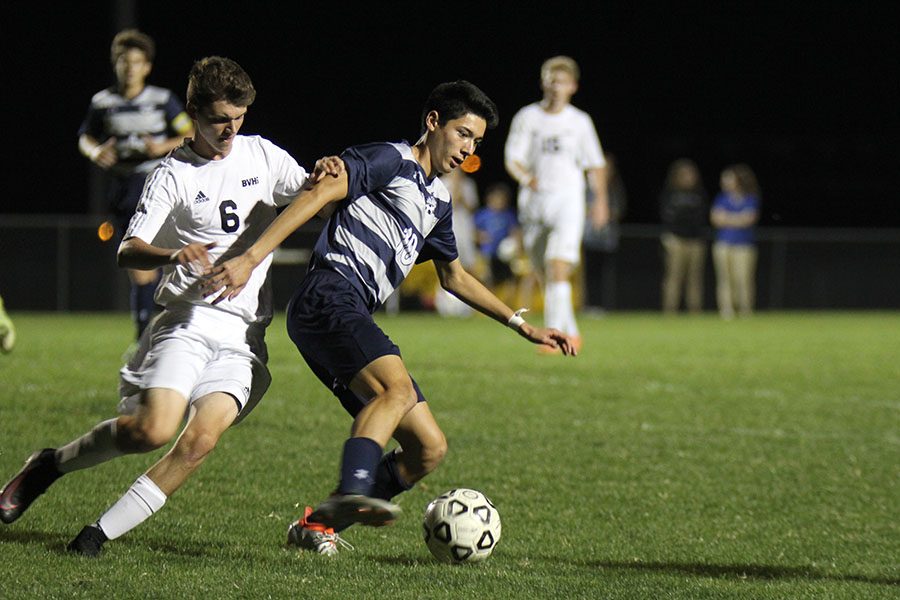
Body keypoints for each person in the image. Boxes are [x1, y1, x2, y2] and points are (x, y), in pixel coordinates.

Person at [205, 80, 577, 555]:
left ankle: (317, 526)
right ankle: (355, 487)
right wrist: (251, 256)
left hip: (348, 310)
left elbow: (455, 277)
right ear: (433, 122)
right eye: (463, 134)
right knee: (395, 391)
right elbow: (320, 193)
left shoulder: (437, 201)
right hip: (329, 293)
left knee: (428, 449)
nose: (467, 149)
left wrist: (522, 325)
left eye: (477, 142)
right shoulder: (391, 159)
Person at [0, 56, 342, 557]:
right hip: (189, 320)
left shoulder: (261, 155)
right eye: (220, 119)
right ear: (194, 112)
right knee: (151, 430)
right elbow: (127, 250)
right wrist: (172, 252)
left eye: (239, 117)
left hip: (244, 337)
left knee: (200, 441)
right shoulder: (172, 174)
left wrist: (328, 171)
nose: (231, 129)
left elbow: (316, 196)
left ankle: (96, 537)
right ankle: (50, 464)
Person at [77, 29, 194, 342]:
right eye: (124, 62)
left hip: (158, 184)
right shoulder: (103, 103)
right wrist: (95, 151)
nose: (130, 68)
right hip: (123, 188)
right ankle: (150, 334)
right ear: (115, 64)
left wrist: (162, 147)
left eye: (137, 62)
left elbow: (191, 131)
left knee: (154, 265)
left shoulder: (162, 100)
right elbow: (85, 137)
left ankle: (150, 334)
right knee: (141, 267)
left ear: (147, 67)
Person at [504, 56, 608, 353]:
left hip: (568, 199)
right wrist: (526, 177)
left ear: (572, 86)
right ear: (542, 82)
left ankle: (555, 336)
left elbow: (595, 164)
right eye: (550, 79)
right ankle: (570, 330)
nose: (555, 86)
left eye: (561, 81)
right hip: (534, 203)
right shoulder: (528, 117)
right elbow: (512, 158)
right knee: (543, 270)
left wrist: (599, 201)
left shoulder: (580, 122)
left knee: (557, 264)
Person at [711, 164, 761, 319]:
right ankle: (727, 310)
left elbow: (749, 219)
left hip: (745, 245)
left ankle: (745, 310)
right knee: (725, 278)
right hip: (724, 243)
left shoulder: (751, 198)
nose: (724, 182)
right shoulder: (721, 198)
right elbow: (716, 219)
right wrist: (738, 218)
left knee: (744, 278)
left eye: (728, 178)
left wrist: (728, 218)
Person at [659, 158, 708, 314]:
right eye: (685, 174)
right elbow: (668, 216)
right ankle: (670, 312)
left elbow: (702, 216)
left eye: (691, 174)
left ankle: (694, 311)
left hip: (695, 240)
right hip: (676, 240)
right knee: (673, 278)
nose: (689, 178)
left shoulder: (699, 194)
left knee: (695, 279)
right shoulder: (670, 193)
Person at [583, 153, 627, 312]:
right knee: (590, 274)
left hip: (608, 239)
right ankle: (589, 306)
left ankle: (607, 306)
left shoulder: (615, 187)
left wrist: (607, 212)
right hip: (590, 237)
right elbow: (581, 207)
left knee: (607, 275)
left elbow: (620, 209)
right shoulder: (588, 187)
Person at [435, 168, 480, 316]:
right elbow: (450, 204)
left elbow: (470, 207)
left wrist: (459, 185)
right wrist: (454, 184)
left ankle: (468, 307)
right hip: (448, 231)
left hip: (465, 230)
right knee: (445, 268)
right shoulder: (439, 183)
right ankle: (444, 306)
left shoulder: (468, 185)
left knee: (468, 268)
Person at [474, 182, 520, 307]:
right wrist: (481, 237)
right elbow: (475, 234)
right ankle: (490, 305)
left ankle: (508, 305)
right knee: (490, 280)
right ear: (490, 199)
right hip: (488, 253)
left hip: (505, 255)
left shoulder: (508, 215)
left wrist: (516, 247)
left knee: (510, 280)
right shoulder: (483, 215)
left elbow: (515, 232)